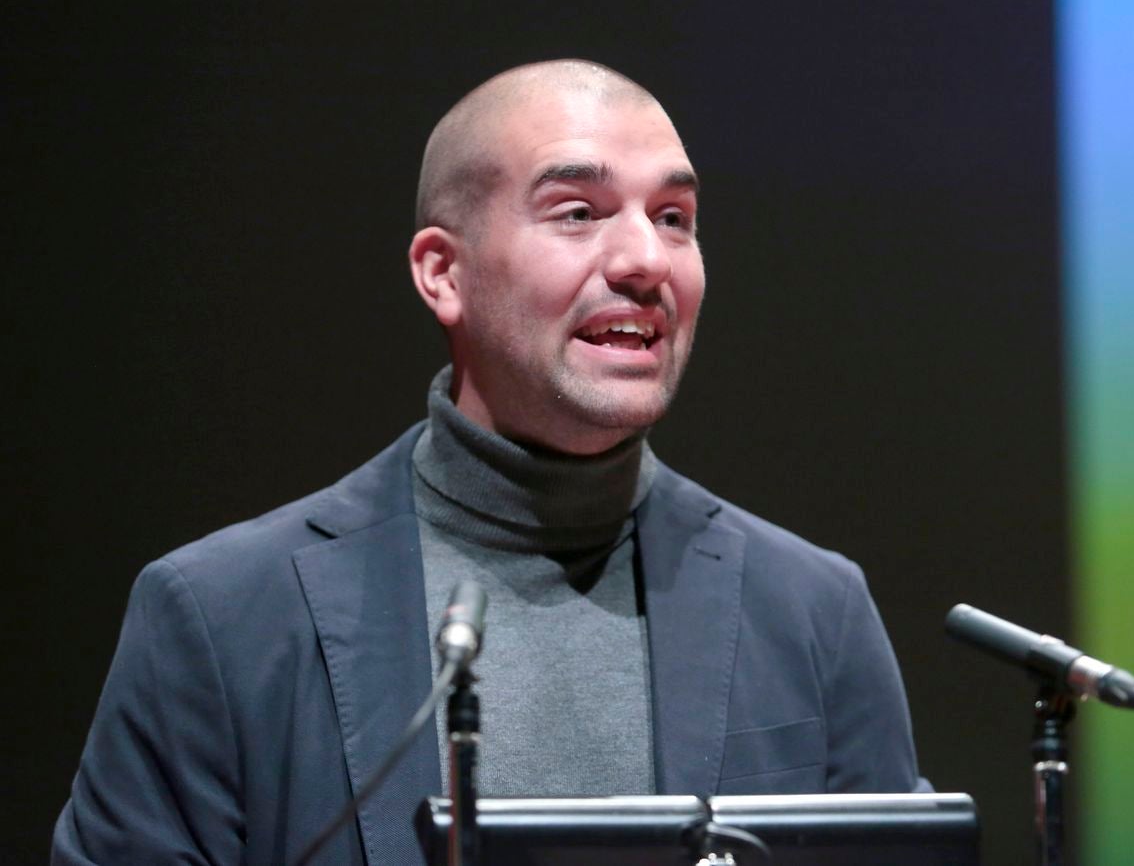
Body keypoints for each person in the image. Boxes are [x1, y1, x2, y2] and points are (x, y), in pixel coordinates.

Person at [53, 60, 924, 865]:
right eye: (578, 212)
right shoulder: (221, 618)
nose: (644, 260)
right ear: (443, 273)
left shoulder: (814, 613)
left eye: (674, 218)